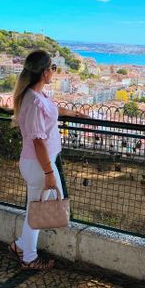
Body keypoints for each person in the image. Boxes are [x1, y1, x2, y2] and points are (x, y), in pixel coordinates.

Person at [9, 50, 85, 270]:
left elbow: (52, 110)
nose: (55, 71)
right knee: (39, 211)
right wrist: (50, 173)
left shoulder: (38, 96)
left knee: (37, 208)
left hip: (40, 163)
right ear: (44, 72)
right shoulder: (32, 101)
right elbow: (38, 141)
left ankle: (21, 246)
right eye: (53, 68)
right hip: (39, 164)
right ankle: (29, 258)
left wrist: (75, 114)